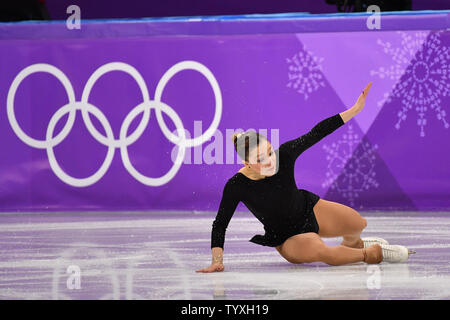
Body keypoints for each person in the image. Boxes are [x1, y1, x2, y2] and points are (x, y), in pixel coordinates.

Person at [197, 82, 415, 273]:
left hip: (308, 210)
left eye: (270, 152)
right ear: (247, 163)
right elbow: (220, 224)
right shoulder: (237, 185)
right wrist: (217, 261)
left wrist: (355, 109)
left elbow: (317, 132)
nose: (270, 161)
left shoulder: (285, 154)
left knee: (358, 222)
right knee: (324, 252)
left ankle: (355, 245)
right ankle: (372, 254)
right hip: (287, 238)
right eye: (260, 159)